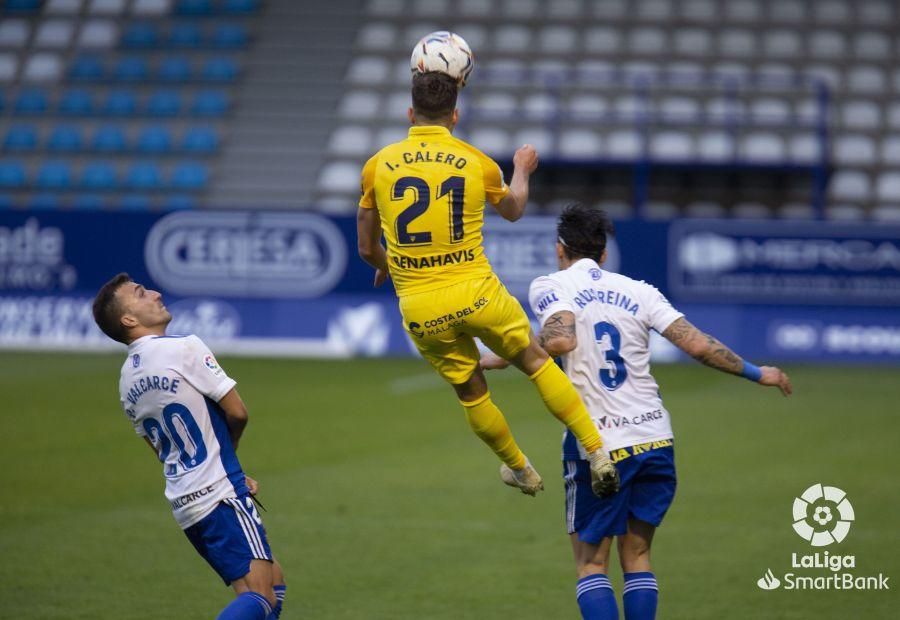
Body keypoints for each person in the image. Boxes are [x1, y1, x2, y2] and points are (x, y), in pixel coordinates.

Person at [481, 204, 792, 620]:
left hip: (600, 445)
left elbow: (560, 340)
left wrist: (510, 354)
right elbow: (698, 345)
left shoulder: (550, 285)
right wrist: (758, 372)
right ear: (604, 254)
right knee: (638, 555)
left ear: (560, 249)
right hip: (655, 438)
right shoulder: (639, 289)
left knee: (592, 564)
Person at [356, 71, 619, 498]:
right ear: (455, 116)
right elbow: (513, 209)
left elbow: (366, 248)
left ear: (409, 113)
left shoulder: (376, 166)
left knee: (471, 391)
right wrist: (521, 168)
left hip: (421, 306)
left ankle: (520, 468)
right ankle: (598, 452)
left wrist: (388, 265)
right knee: (536, 362)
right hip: (478, 293)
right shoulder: (476, 162)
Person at [92, 273, 286, 620]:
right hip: (219, 493)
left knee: (273, 587)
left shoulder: (126, 380)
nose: (154, 293)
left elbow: (161, 451)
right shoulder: (183, 347)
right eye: (140, 293)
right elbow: (238, 413)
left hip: (186, 504)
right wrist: (232, 470)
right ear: (128, 319)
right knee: (261, 597)